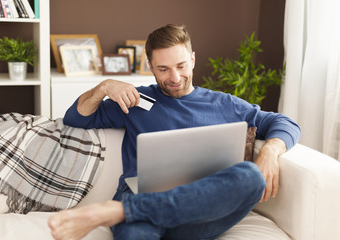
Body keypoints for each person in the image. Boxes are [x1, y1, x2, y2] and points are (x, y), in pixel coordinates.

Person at [48, 24, 301, 240]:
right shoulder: (134, 99)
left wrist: (271, 149)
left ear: (192, 59)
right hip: (143, 201)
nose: (175, 77)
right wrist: (103, 87)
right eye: (163, 69)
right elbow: (76, 118)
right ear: (150, 66)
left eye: (181, 65)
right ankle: (131, 211)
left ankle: (122, 211)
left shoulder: (224, 103)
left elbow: (284, 123)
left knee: (251, 176)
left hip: (199, 210)